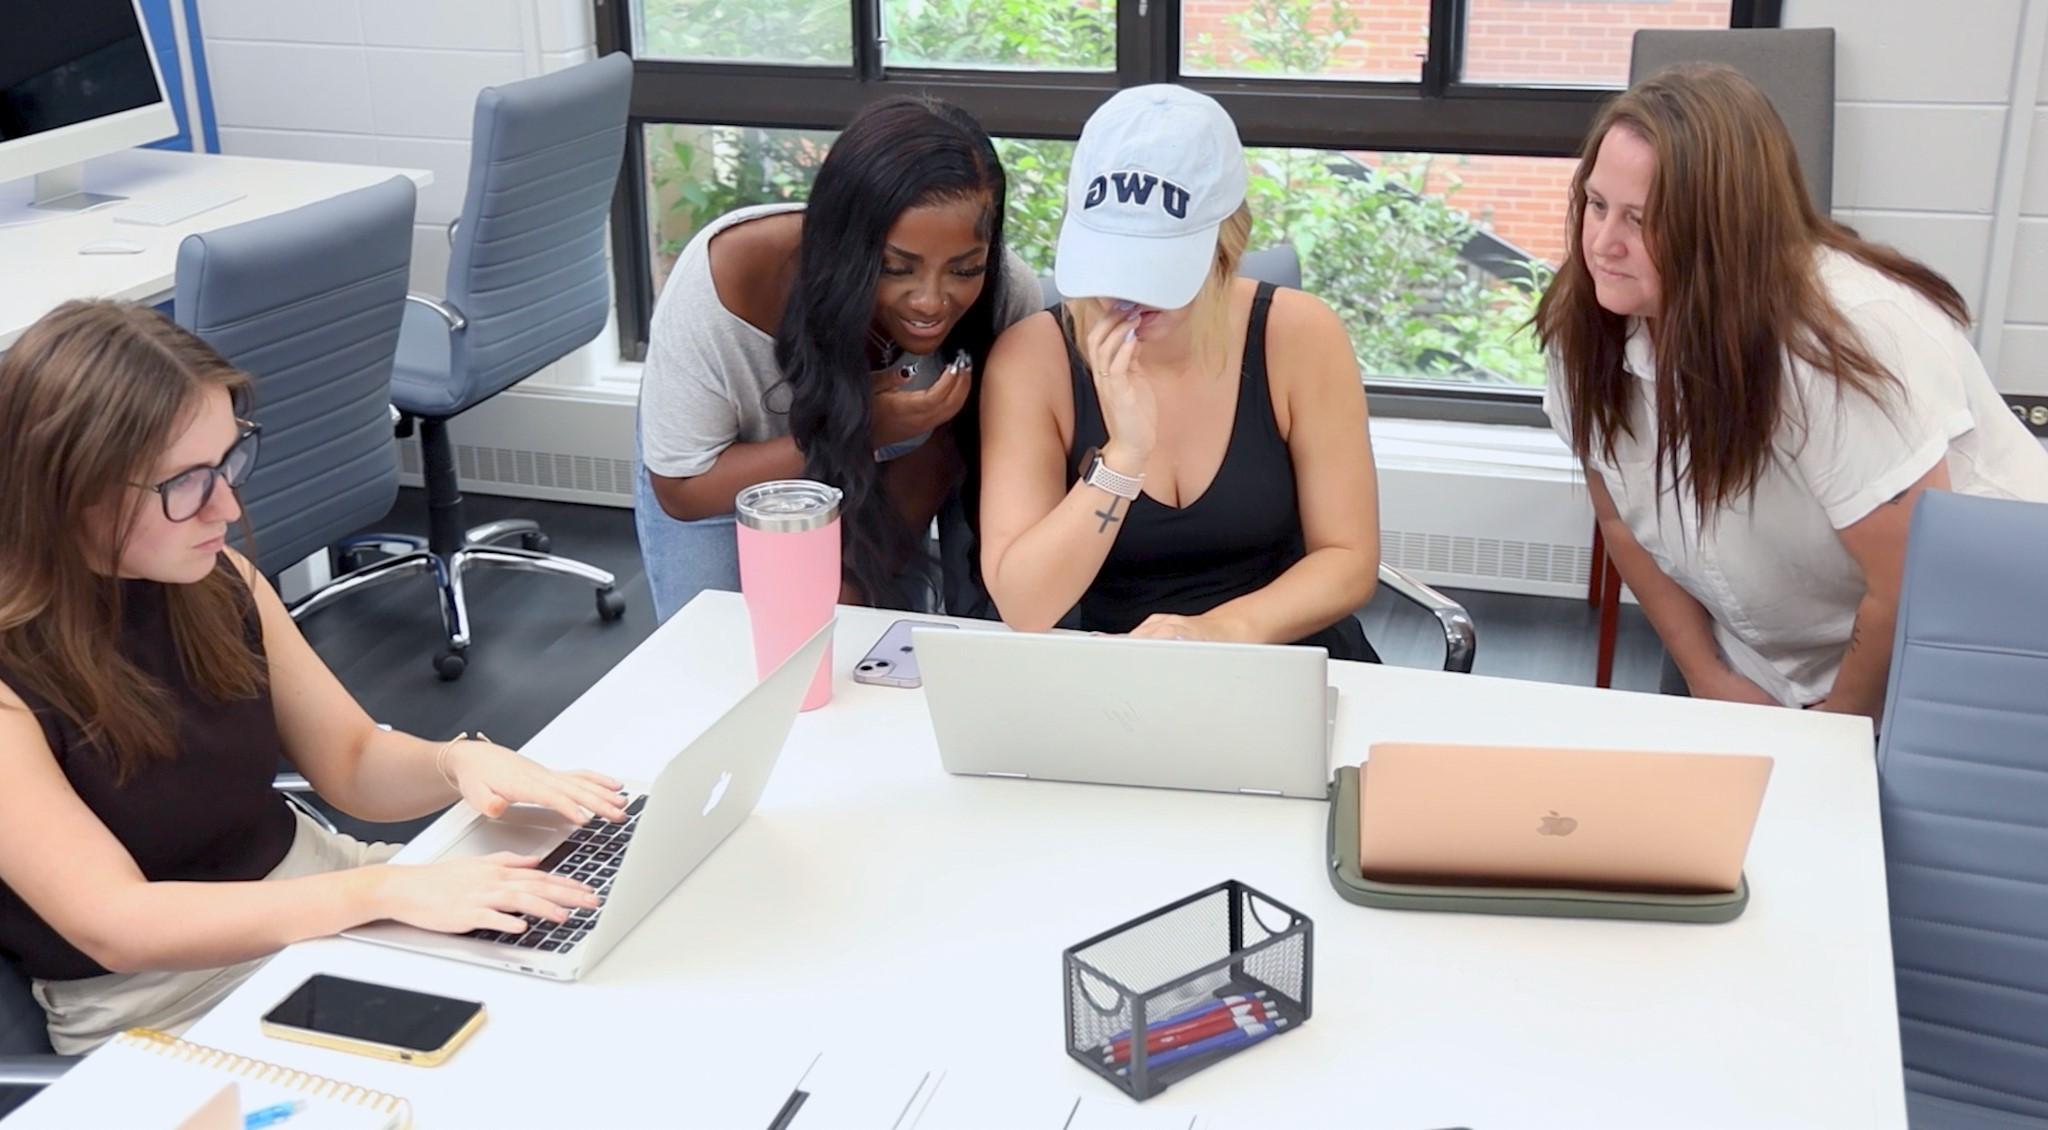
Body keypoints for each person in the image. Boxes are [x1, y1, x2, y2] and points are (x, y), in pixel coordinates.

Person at [0, 302, 627, 1053]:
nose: (227, 507)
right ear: (70, 490)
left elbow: (353, 761)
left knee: (597, 971)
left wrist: (455, 760)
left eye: (229, 463)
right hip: (166, 997)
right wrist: (384, 894)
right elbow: (119, 926)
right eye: (188, 483)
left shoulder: (213, 578)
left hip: (323, 891)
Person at [1537, 64, 2048, 718]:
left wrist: (1827, 738)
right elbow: (1621, 523)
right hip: (1774, 653)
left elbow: (1904, 588)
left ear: (1722, 229)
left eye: (1641, 219)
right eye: (1596, 204)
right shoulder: (1585, 331)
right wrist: (1708, 675)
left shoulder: (1842, 344)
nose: (1603, 244)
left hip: (1971, 645)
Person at [977, 85, 1380, 660]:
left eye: (1159, 271)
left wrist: (1221, 631)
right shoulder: (1031, 359)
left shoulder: (1300, 335)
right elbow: (1026, 605)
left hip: (1286, 652)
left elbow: (1348, 559)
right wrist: (1123, 460)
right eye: (1114, 263)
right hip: (1121, 676)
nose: (1128, 297)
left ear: (1225, 246)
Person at [635, 95, 1040, 621]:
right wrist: (864, 429)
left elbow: (936, 464)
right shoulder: (730, 277)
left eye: (964, 270)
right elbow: (685, 490)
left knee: (869, 646)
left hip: (892, 477)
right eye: (897, 267)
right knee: (720, 658)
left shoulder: (1005, 296)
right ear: (845, 243)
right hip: (730, 472)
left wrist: (848, 604)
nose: (931, 300)